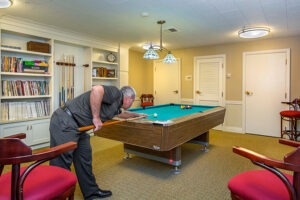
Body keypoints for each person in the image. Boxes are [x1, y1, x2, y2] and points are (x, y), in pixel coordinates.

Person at [49, 85, 142, 199]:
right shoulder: (115, 93)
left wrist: (136, 115)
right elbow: (97, 90)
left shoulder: (116, 105)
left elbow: (120, 114)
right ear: (128, 98)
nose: (131, 104)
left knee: (84, 157)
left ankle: (91, 192)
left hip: (79, 127)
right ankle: (57, 196)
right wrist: (96, 117)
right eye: (132, 101)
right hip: (65, 121)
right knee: (61, 162)